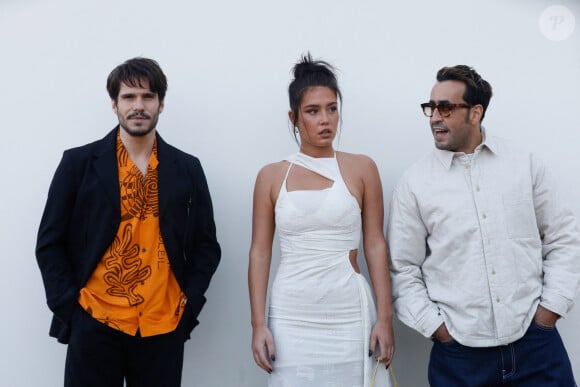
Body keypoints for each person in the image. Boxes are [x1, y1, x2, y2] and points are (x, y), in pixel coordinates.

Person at [387, 64, 580, 386]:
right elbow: (403, 268)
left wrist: (549, 312)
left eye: (446, 107)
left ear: (475, 113)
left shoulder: (524, 164)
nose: (435, 117)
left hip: (536, 346)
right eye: (431, 107)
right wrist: (439, 330)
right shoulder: (415, 183)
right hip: (460, 358)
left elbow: (563, 237)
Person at [35, 57, 221, 387]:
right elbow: (49, 243)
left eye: (148, 97)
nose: (139, 106)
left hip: (162, 324)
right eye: (129, 97)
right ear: (114, 103)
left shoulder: (187, 168)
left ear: (161, 104)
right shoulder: (78, 163)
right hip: (94, 319)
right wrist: (72, 309)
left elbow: (206, 247)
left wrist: (187, 306)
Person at [248, 54, 395, 386]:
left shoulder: (362, 169)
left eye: (332, 109)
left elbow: (375, 244)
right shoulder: (271, 176)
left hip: (349, 313)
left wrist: (384, 318)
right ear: (294, 117)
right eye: (313, 111)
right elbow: (259, 252)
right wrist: (258, 324)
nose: (325, 120)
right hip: (291, 314)